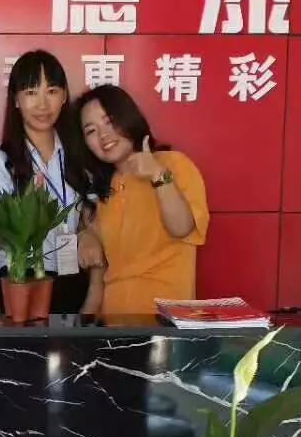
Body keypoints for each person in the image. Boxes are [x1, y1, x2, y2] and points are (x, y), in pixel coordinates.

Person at [0, 50, 102, 314]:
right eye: (31, 92)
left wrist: (88, 233)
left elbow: (92, 215)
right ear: (16, 99)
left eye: (52, 91)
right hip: (22, 283)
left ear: (64, 96)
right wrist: (30, 210)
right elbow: (0, 234)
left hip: (74, 277)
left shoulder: (79, 156)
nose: (43, 105)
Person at [75, 86, 209, 316]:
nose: (104, 135)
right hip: (114, 324)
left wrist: (157, 174)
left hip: (164, 321)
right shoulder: (104, 191)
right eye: (91, 130)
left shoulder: (173, 164)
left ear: (127, 117)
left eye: (109, 121)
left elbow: (181, 228)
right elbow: (99, 276)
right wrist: (86, 235)